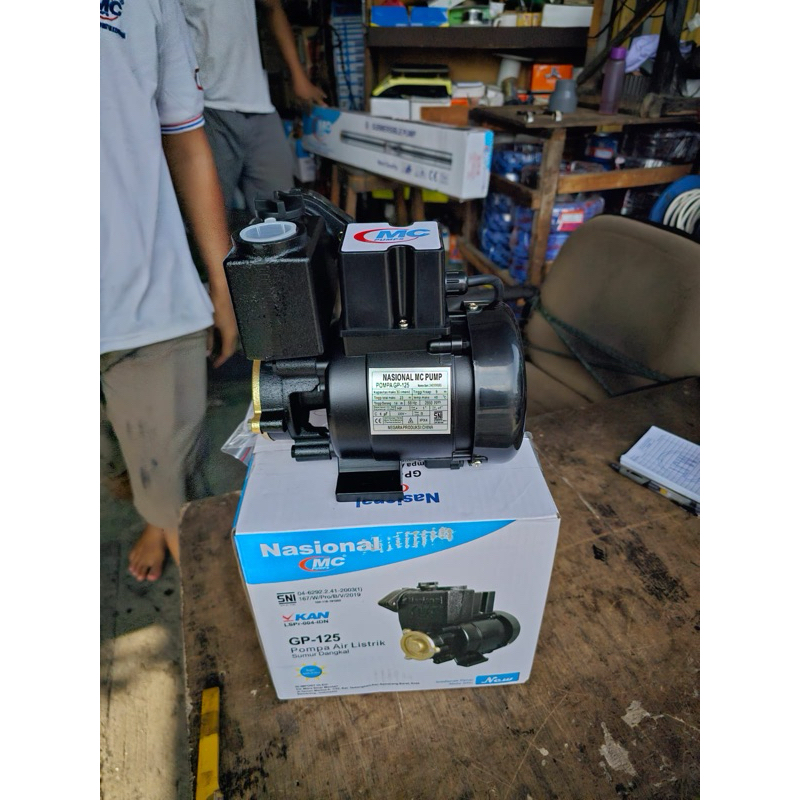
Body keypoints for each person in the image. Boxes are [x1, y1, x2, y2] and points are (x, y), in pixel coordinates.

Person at [101, 0, 239, 582]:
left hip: (153, 301)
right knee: (119, 467)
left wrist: (223, 282)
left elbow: (184, 137)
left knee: (185, 503)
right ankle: (150, 515)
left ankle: (162, 521)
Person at [178, 0, 327, 214]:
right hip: (207, 109)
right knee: (209, 217)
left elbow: (273, 6)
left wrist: (299, 76)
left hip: (259, 105)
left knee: (283, 213)